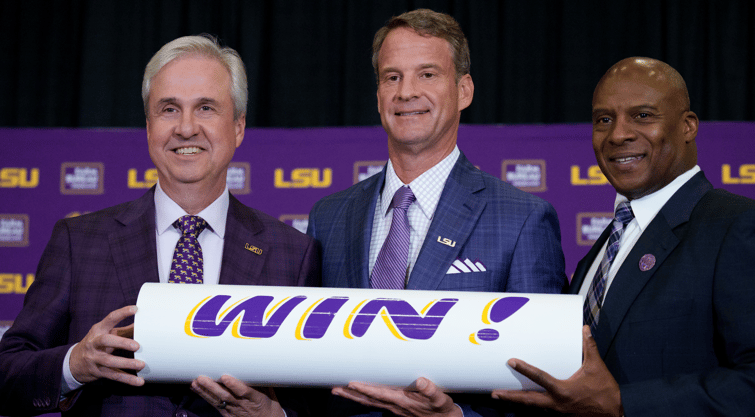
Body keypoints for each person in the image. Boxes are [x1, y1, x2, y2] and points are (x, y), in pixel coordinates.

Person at [0, 35, 320, 417]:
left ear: (238, 127)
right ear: (149, 128)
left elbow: (316, 399)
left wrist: (273, 414)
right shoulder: (78, 242)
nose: (186, 128)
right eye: (169, 109)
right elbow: (8, 374)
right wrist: (75, 364)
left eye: (205, 108)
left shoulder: (293, 253)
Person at [491, 57, 755, 416]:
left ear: (688, 126)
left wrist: (624, 404)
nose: (618, 134)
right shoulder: (605, 247)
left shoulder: (741, 228)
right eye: (604, 119)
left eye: (643, 116)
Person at [306, 9, 567, 417]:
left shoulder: (523, 220)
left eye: (427, 74)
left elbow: (543, 391)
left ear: (463, 91)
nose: (406, 91)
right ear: (377, 96)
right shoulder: (329, 216)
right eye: (392, 77)